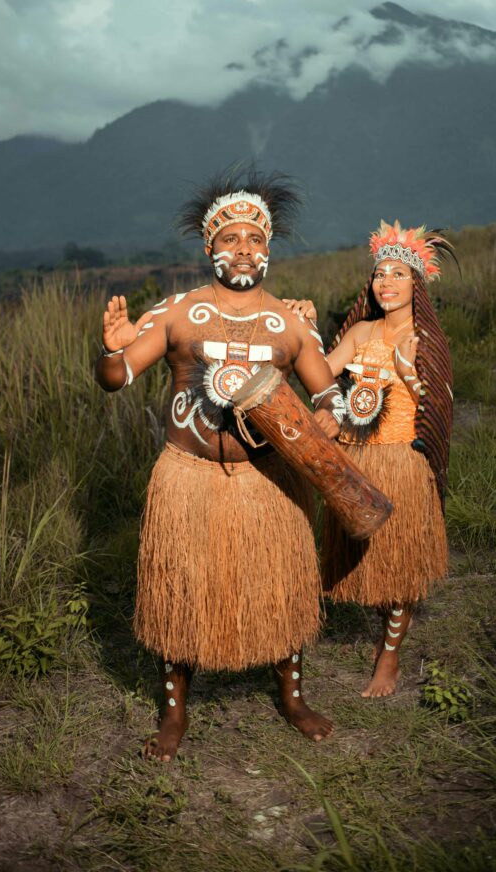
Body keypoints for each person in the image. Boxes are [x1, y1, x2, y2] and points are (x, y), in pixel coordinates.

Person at [95, 171, 344, 758]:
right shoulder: (176, 312)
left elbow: (328, 395)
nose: (243, 249)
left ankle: (292, 697)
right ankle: (175, 714)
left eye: (254, 239)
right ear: (211, 249)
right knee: (182, 593)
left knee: (279, 590)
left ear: (268, 249)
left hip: (271, 484)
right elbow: (115, 379)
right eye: (230, 239)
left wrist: (330, 417)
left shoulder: (290, 322)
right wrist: (111, 347)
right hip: (189, 480)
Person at [287, 221, 454, 697]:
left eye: (398, 273)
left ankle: (390, 657)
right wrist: (305, 329)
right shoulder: (361, 331)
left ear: (416, 282)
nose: (386, 282)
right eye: (380, 273)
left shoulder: (424, 339)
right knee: (370, 562)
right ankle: (388, 632)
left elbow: (435, 405)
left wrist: (406, 371)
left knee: (399, 566)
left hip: (401, 460)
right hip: (357, 459)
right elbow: (320, 375)